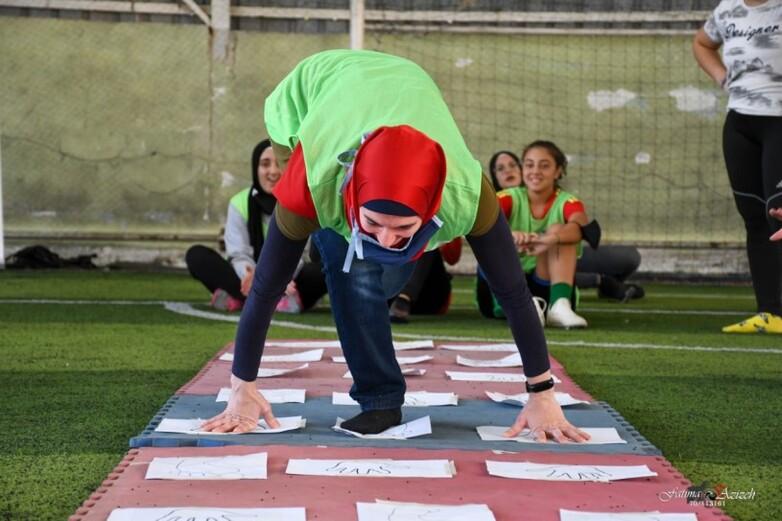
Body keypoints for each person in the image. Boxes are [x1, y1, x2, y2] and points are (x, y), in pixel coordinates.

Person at [202, 49, 589, 443]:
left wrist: (542, 392)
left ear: (434, 205)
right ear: (351, 198)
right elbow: (266, 289)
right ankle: (379, 398)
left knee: (375, 263)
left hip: (406, 81)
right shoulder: (311, 189)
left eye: (403, 227)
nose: (386, 238)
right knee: (347, 265)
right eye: (374, 223)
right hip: (308, 97)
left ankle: (370, 241)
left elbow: (513, 293)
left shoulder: (468, 196)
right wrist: (241, 390)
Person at [693, 0, 782, 334]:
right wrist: (721, 76)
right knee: (755, 218)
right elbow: (701, 42)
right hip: (740, 123)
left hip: (779, 122)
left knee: (779, 214)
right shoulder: (728, 8)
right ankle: (771, 313)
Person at [185, 139, 326, 313]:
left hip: (289, 276)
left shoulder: (298, 202)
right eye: (265, 164)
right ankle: (277, 300)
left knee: (327, 266)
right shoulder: (239, 203)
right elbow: (238, 253)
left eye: (278, 164)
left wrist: (276, 279)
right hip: (247, 275)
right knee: (197, 255)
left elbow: (300, 255)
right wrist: (254, 278)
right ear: (255, 168)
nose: (273, 171)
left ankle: (239, 298)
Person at [487, 150, 644, 303]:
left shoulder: (562, 199)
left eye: (513, 165)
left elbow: (588, 231)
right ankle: (599, 281)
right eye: (500, 169)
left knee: (630, 257)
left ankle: (562, 301)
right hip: (521, 270)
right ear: (495, 177)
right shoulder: (497, 203)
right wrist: (510, 235)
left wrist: (550, 239)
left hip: (559, 256)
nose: (508, 171)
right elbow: (480, 227)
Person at [477, 142, 589, 328]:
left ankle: (560, 305)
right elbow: (478, 223)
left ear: (558, 171)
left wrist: (549, 239)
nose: (535, 171)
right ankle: (521, 307)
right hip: (505, 286)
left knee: (559, 230)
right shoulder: (508, 197)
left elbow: (582, 227)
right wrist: (509, 235)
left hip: (546, 283)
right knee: (492, 236)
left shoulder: (568, 201)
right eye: (529, 165)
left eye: (544, 166)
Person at [387, 238, 462, 323]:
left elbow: (452, 257)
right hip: (385, 297)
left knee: (425, 234)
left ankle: (404, 298)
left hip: (429, 297)